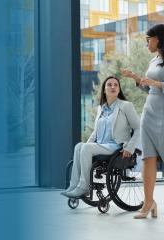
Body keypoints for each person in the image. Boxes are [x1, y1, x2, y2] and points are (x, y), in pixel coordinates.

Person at [61, 76, 140, 199]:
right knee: (79, 147)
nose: (112, 87)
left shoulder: (126, 106)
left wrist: (130, 147)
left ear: (119, 89)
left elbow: (138, 128)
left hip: (116, 147)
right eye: (109, 85)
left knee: (85, 148)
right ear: (104, 90)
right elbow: (95, 133)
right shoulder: (101, 108)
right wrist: (84, 147)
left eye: (115, 85)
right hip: (102, 145)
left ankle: (84, 187)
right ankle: (73, 185)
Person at [121, 24, 164, 219]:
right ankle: (148, 203)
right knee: (148, 158)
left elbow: (158, 85)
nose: (147, 42)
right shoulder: (153, 61)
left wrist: (157, 83)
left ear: (159, 39)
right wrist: (138, 79)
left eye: (149, 39)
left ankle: (150, 203)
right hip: (149, 112)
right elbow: (150, 90)